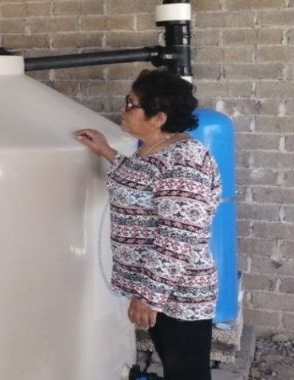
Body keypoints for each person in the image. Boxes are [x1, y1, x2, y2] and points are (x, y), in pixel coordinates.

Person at [76, 69, 221, 380]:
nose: (123, 110)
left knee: (186, 373)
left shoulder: (184, 161)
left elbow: (179, 237)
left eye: (132, 104)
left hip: (178, 294)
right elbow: (142, 180)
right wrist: (106, 152)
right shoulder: (152, 150)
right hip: (160, 290)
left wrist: (149, 295)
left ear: (159, 118)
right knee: (173, 367)